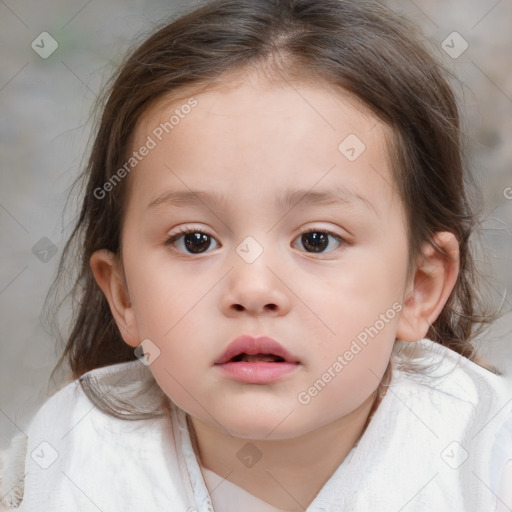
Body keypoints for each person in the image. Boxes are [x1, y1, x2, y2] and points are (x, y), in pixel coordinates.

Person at [1, 0, 511, 510]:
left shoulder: (486, 461)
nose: (252, 290)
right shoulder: (66, 459)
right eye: (194, 240)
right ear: (123, 294)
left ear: (418, 288)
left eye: (317, 240)